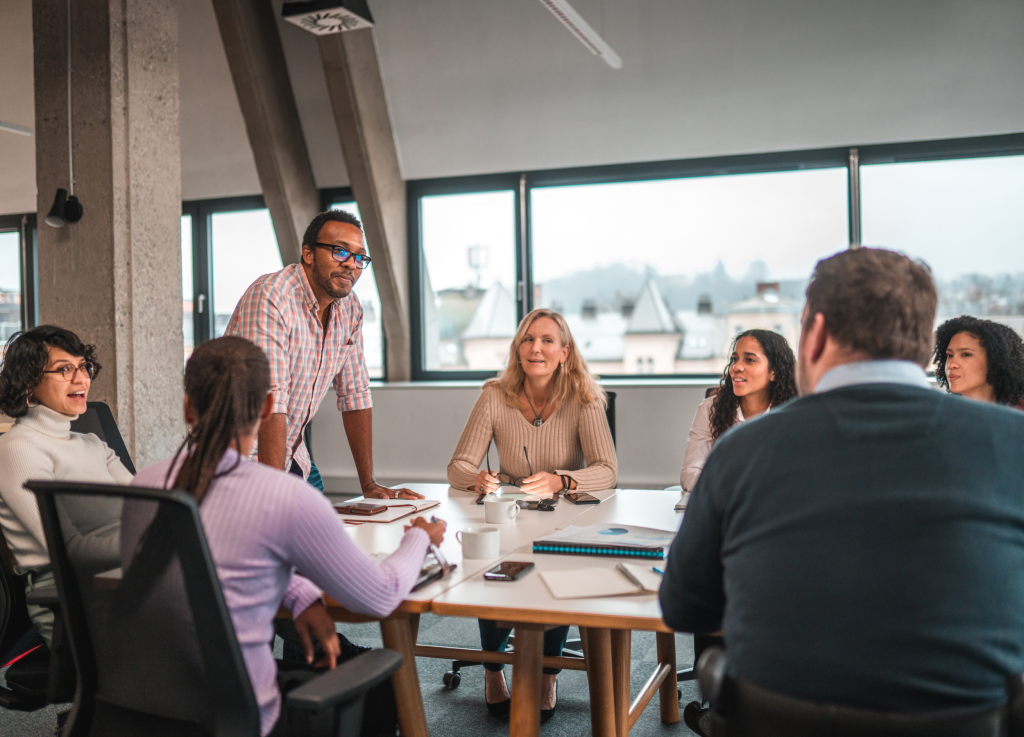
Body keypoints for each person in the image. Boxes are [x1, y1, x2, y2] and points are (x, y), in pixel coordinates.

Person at [660, 248, 1024, 730]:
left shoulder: (742, 451)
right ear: (920, 343)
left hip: (773, 720)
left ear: (815, 335)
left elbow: (687, 605)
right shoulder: (1012, 443)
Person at [124, 336, 446, 737]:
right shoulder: (285, 494)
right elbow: (380, 595)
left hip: (143, 706)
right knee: (385, 680)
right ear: (269, 408)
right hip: (242, 716)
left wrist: (297, 592)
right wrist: (419, 538)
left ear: (188, 407)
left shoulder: (144, 483)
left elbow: (213, 566)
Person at [447, 308, 616, 722]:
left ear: (564, 351)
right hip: (509, 514)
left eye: (546, 340)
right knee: (492, 567)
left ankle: (548, 676)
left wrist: (561, 480)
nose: (535, 348)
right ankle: (492, 670)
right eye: (527, 339)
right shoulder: (493, 393)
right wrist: (479, 479)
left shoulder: (584, 397)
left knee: (554, 575)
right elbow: (457, 467)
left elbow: (607, 470)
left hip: (562, 518)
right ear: (517, 348)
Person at [224, 209, 421, 501]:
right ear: (308, 254)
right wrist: (273, 497)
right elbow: (270, 401)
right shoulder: (272, 297)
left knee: (327, 530)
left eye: (359, 258)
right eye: (340, 251)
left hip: (291, 452)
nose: (351, 265)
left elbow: (356, 395)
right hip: (237, 460)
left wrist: (369, 485)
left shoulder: (350, 308)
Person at [0, 326, 130, 646]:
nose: (82, 379)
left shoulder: (93, 444)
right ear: (28, 382)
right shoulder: (18, 447)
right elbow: (62, 547)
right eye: (64, 369)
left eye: (84, 367)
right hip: (73, 596)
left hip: (125, 577)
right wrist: (149, 548)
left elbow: (150, 509)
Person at [679, 329, 797, 491]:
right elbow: (691, 470)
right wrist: (726, 487)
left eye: (749, 360)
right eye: (734, 359)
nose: (736, 367)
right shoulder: (710, 409)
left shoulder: (794, 414)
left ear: (773, 372)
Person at [933, 315, 1024, 406]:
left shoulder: (1019, 413)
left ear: (995, 361)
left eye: (966, 354)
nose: (951, 364)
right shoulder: (937, 413)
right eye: (949, 355)